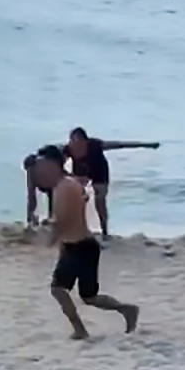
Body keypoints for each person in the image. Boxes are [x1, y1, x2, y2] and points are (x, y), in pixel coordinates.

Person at [33, 146, 139, 340]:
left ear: (55, 165)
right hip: (78, 246)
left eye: (43, 166)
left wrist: (50, 236)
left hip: (80, 247)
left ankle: (82, 329)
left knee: (59, 290)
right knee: (88, 297)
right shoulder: (63, 185)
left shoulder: (65, 187)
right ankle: (126, 310)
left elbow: (63, 221)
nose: (40, 171)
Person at [65, 127, 159, 239]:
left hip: (99, 171)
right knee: (76, 197)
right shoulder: (68, 149)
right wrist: (73, 177)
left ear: (85, 141)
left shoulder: (95, 145)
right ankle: (78, 227)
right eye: (72, 142)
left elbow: (121, 145)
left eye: (78, 143)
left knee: (100, 200)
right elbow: (56, 166)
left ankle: (104, 231)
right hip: (80, 171)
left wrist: (147, 145)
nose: (75, 147)